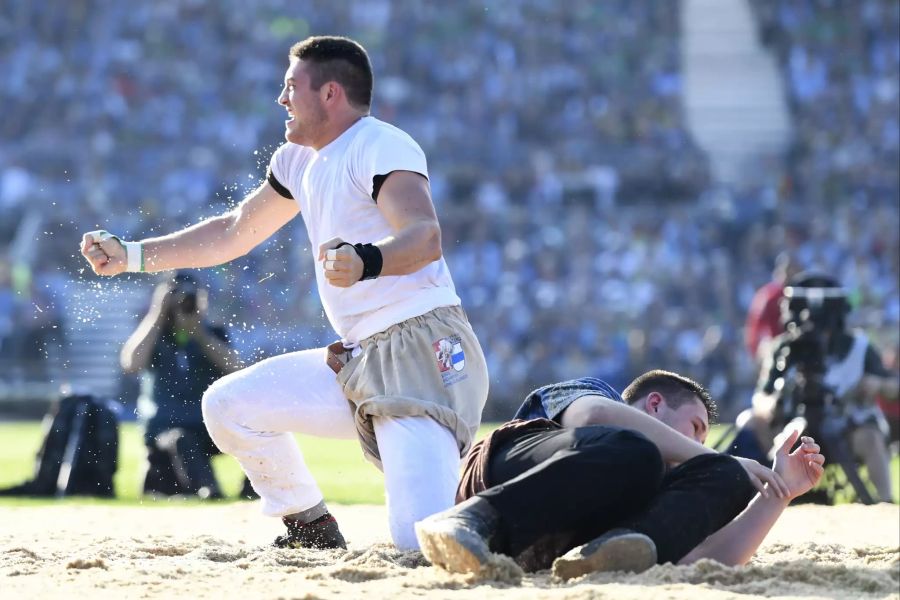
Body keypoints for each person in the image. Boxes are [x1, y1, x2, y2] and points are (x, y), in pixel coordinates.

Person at [79, 36, 488, 550]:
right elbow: (232, 231)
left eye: (291, 86)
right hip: (360, 358)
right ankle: (311, 526)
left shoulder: (380, 143)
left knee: (422, 544)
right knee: (229, 405)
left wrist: (368, 259)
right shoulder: (297, 160)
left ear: (331, 94)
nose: (281, 98)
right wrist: (134, 255)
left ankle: (514, 483)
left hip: (423, 352)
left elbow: (425, 236)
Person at [416, 371, 825, 578]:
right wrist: (718, 458)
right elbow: (593, 417)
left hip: (549, 542)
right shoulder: (597, 393)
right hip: (510, 471)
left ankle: (602, 557)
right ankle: (474, 519)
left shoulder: (658, 488)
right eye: (696, 426)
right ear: (655, 404)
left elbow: (702, 560)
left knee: (721, 475)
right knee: (641, 453)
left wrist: (779, 493)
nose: (701, 442)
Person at [738, 273, 899, 503]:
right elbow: (761, 396)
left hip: (846, 426)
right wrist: (770, 405)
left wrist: (878, 384)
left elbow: (894, 385)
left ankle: (885, 502)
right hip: (791, 428)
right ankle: (748, 492)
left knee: (871, 436)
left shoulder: (859, 346)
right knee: (750, 421)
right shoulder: (783, 347)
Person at [121, 273, 240, 499]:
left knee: (259, 429)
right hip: (163, 427)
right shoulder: (155, 335)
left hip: (207, 426)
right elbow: (131, 363)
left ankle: (257, 491)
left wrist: (199, 334)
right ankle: (209, 490)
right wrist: (157, 314)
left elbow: (235, 368)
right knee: (182, 439)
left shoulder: (212, 333)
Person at [745, 252, 800, 363]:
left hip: (799, 344)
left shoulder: (801, 292)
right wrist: (757, 351)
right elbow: (754, 327)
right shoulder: (769, 296)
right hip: (775, 348)